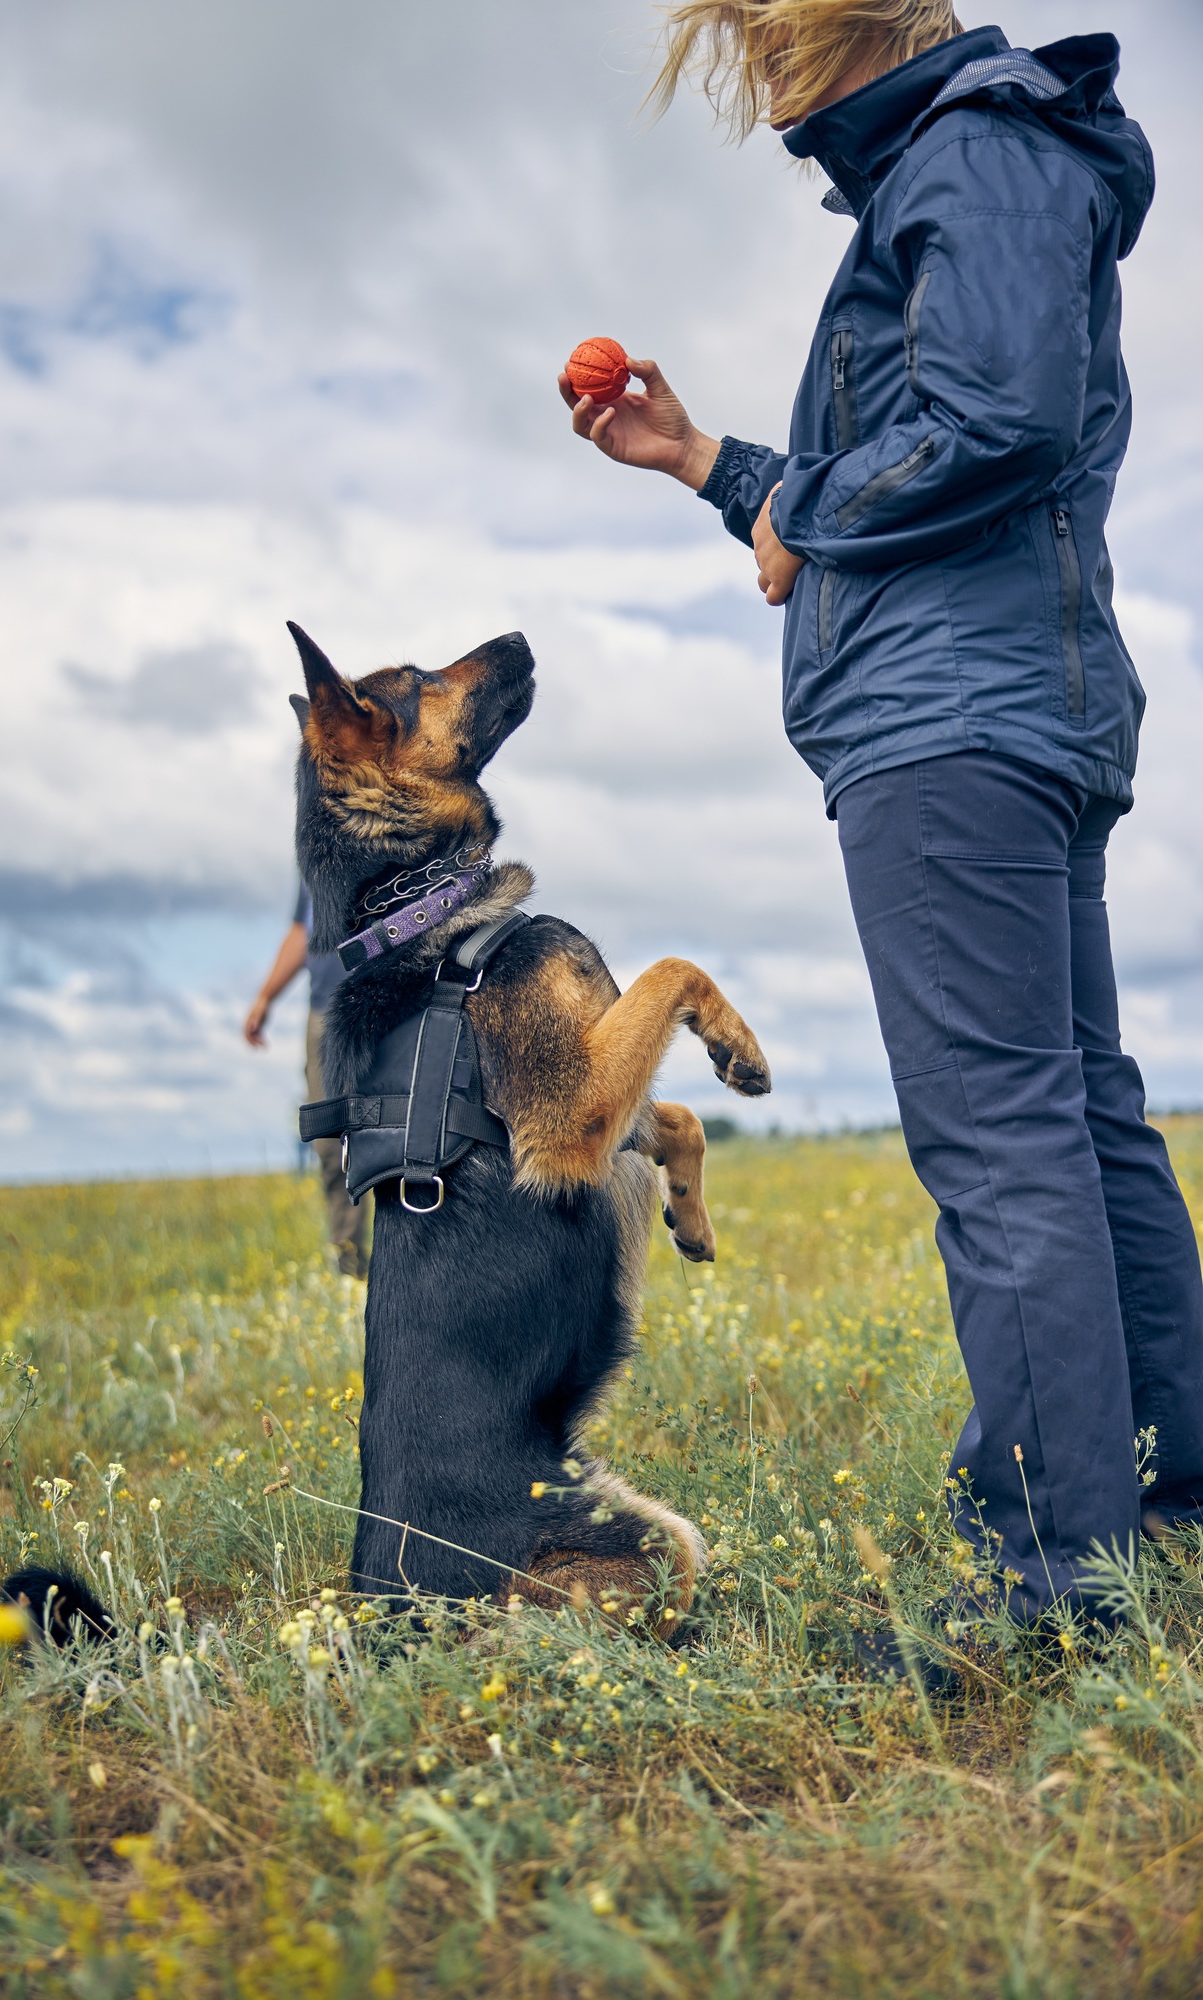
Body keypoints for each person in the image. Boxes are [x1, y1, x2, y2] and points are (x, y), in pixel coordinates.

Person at [561, 1, 1203, 1639]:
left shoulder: (972, 151)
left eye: (759, 20)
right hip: (1006, 698)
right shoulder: (992, 153)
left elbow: (998, 426)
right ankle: (1159, 1499)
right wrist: (711, 462)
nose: (746, 55)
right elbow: (938, 446)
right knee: (1075, 1110)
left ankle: (1058, 1584)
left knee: (1001, 1132)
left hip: (950, 723)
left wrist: (806, 504)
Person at [244, 885, 369, 1278]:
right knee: (331, 1149)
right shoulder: (315, 854)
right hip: (323, 1016)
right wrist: (267, 996)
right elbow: (303, 931)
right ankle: (351, 1271)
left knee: (402, 1142)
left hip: (382, 1003)